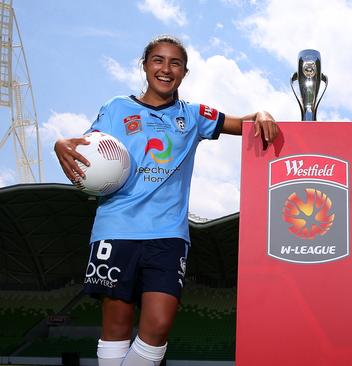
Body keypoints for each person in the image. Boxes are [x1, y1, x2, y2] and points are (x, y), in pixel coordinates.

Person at [54, 35, 278, 366]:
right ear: (145, 66)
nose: (165, 68)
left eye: (175, 63)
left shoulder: (195, 114)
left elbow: (240, 124)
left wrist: (259, 113)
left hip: (168, 234)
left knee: (157, 327)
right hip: (117, 229)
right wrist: (60, 144)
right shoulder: (117, 108)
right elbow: (89, 153)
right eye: (158, 60)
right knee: (116, 327)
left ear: (184, 73)